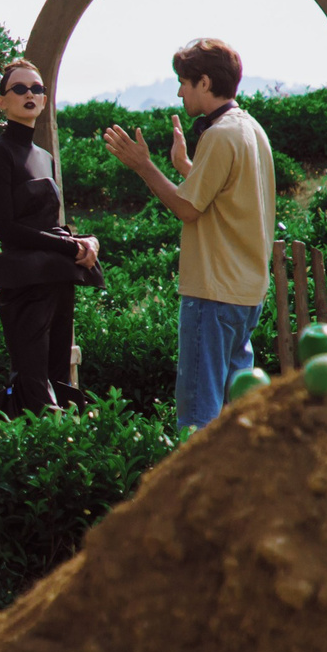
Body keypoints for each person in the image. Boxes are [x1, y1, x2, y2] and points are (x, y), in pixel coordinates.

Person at [101, 37, 276, 432]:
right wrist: (185, 167)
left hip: (213, 292)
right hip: (246, 293)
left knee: (199, 419)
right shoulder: (250, 129)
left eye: (183, 82)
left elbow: (187, 209)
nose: (180, 92)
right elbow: (227, 198)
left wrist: (143, 166)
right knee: (237, 418)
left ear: (204, 82)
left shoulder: (219, 135)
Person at [0, 57, 99, 417]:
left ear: (44, 100)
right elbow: (8, 228)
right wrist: (71, 246)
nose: (29, 94)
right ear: (2, 101)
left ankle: (58, 445)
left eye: (36, 89)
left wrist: (88, 240)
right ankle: (21, 439)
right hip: (24, 285)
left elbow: (50, 223)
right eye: (19, 88)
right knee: (32, 379)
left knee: (58, 376)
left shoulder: (44, 157)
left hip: (58, 278)